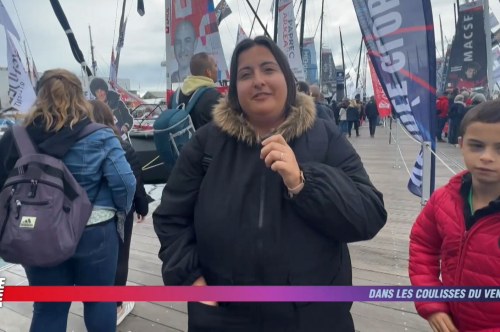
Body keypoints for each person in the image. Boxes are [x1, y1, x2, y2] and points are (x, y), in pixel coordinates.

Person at [153, 36, 387, 332]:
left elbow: (369, 213)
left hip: (313, 318)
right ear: (235, 88)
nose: (258, 81)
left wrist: (304, 183)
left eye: (268, 69)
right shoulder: (207, 143)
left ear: (287, 79)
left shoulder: (323, 136)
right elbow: (170, 217)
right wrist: (191, 279)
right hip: (224, 317)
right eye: (245, 74)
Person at [0, 69, 136, 332]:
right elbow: (125, 183)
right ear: (79, 96)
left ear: (39, 97)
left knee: (48, 309)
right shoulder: (101, 135)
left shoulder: (14, 137)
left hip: (36, 233)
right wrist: (120, 211)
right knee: (99, 303)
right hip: (96, 230)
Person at [409, 99, 500, 331]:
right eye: (477, 146)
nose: (487, 157)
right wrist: (432, 301)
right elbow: (423, 246)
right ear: (461, 144)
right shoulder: (444, 200)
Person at [89, 100, 149, 326]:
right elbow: (134, 180)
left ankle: (96, 303)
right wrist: (141, 207)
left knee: (97, 260)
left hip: (91, 213)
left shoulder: (80, 145)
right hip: (120, 210)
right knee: (120, 257)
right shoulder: (121, 145)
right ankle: (116, 305)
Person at [168, 52, 222, 130]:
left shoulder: (174, 97)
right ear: (208, 72)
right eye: (215, 66)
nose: (217, 69)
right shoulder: (215, 97)